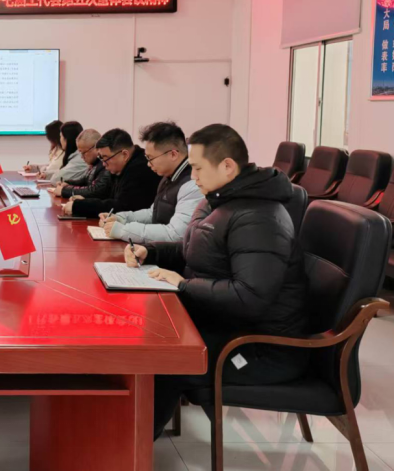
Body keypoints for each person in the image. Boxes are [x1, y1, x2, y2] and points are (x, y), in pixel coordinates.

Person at [124, 124, 309, 440]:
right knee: (146, 331)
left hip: (260, 348)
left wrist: (183, 285)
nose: (192, 177)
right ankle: (124, 434)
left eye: (197, 168)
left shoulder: (260, 217)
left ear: (227, 166)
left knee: (162, 356)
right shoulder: (219, 199)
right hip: (225, 324)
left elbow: (249, 296)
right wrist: (150, 251)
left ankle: (132, 447)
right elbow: (194, 250)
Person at [100, 122, 203, 243]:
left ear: (173, 154)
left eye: (150, 158)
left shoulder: (192, 184)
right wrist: (121, 218)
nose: (148, 164)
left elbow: (175, 235)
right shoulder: (168, 177)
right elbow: (152, 213)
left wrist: (123, 230)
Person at [63, 128, 159, 219]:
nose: (103, 164)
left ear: (125, 155)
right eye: (101, 158)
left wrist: (79, 206)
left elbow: (122, 207)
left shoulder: (140, 169)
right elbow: (110, 197)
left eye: (106, 158)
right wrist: (85, 201)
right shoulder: (121, 166)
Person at [54, 129, 107, 199]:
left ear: (96, 147)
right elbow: (84, 181)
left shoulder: (105, 165)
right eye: (80, 153)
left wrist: (64, 191)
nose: (82, 157)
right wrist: (67, 183)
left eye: (83, 152)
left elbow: (95, 191)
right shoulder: (94, 164)